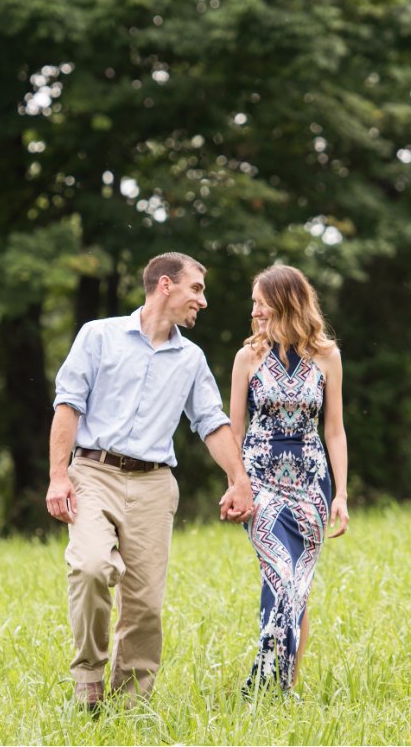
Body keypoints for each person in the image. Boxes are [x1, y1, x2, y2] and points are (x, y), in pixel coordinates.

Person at [46, 252, 256, 711]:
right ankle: (88, 679)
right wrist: (58, 476)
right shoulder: (98, 336)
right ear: (166, 285)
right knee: (91, 566)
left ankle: (129, 706)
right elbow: (68, 404)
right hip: (94, 473)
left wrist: (238, 479)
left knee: (145, 605)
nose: (203, 300)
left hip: (154, 484)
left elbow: (212, 422)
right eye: (196, 289)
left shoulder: (191, 358)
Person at [229, 264, 349, 696]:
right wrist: (233, 481)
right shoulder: (247, 357)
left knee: (297, 587)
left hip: (312, 484)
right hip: (259, 482)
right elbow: (234, 431)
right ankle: (264, 685)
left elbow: (333, 429)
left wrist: (342, 494)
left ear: (284, 302)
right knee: (280, 573)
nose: (255, 310)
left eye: (261, 302)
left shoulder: (326, 356)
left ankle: (284, 689)